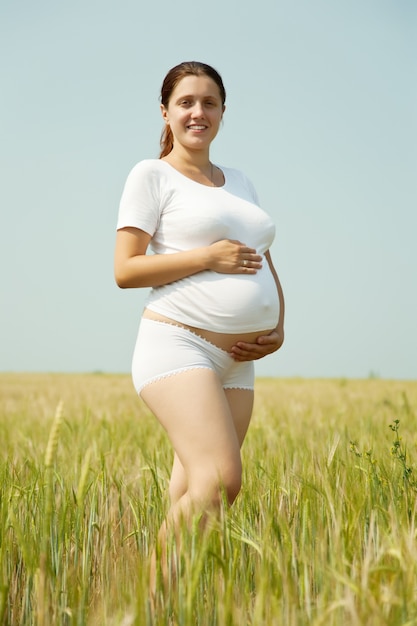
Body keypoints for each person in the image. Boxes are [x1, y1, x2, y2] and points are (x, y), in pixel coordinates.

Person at [114, 61, 285, 595]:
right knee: (220, 481)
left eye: (209, 103)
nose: (198, 112)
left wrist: (280, 326)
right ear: (165, 112)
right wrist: (207, 257)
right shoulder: (151, 174)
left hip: (239, 358)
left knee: (196, 489)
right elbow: (126, 269)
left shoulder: (241, 181)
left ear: (222, 114)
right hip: (178, 342)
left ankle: (173, 601)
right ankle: (138, 600)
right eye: (186, 102)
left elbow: (264, 261)